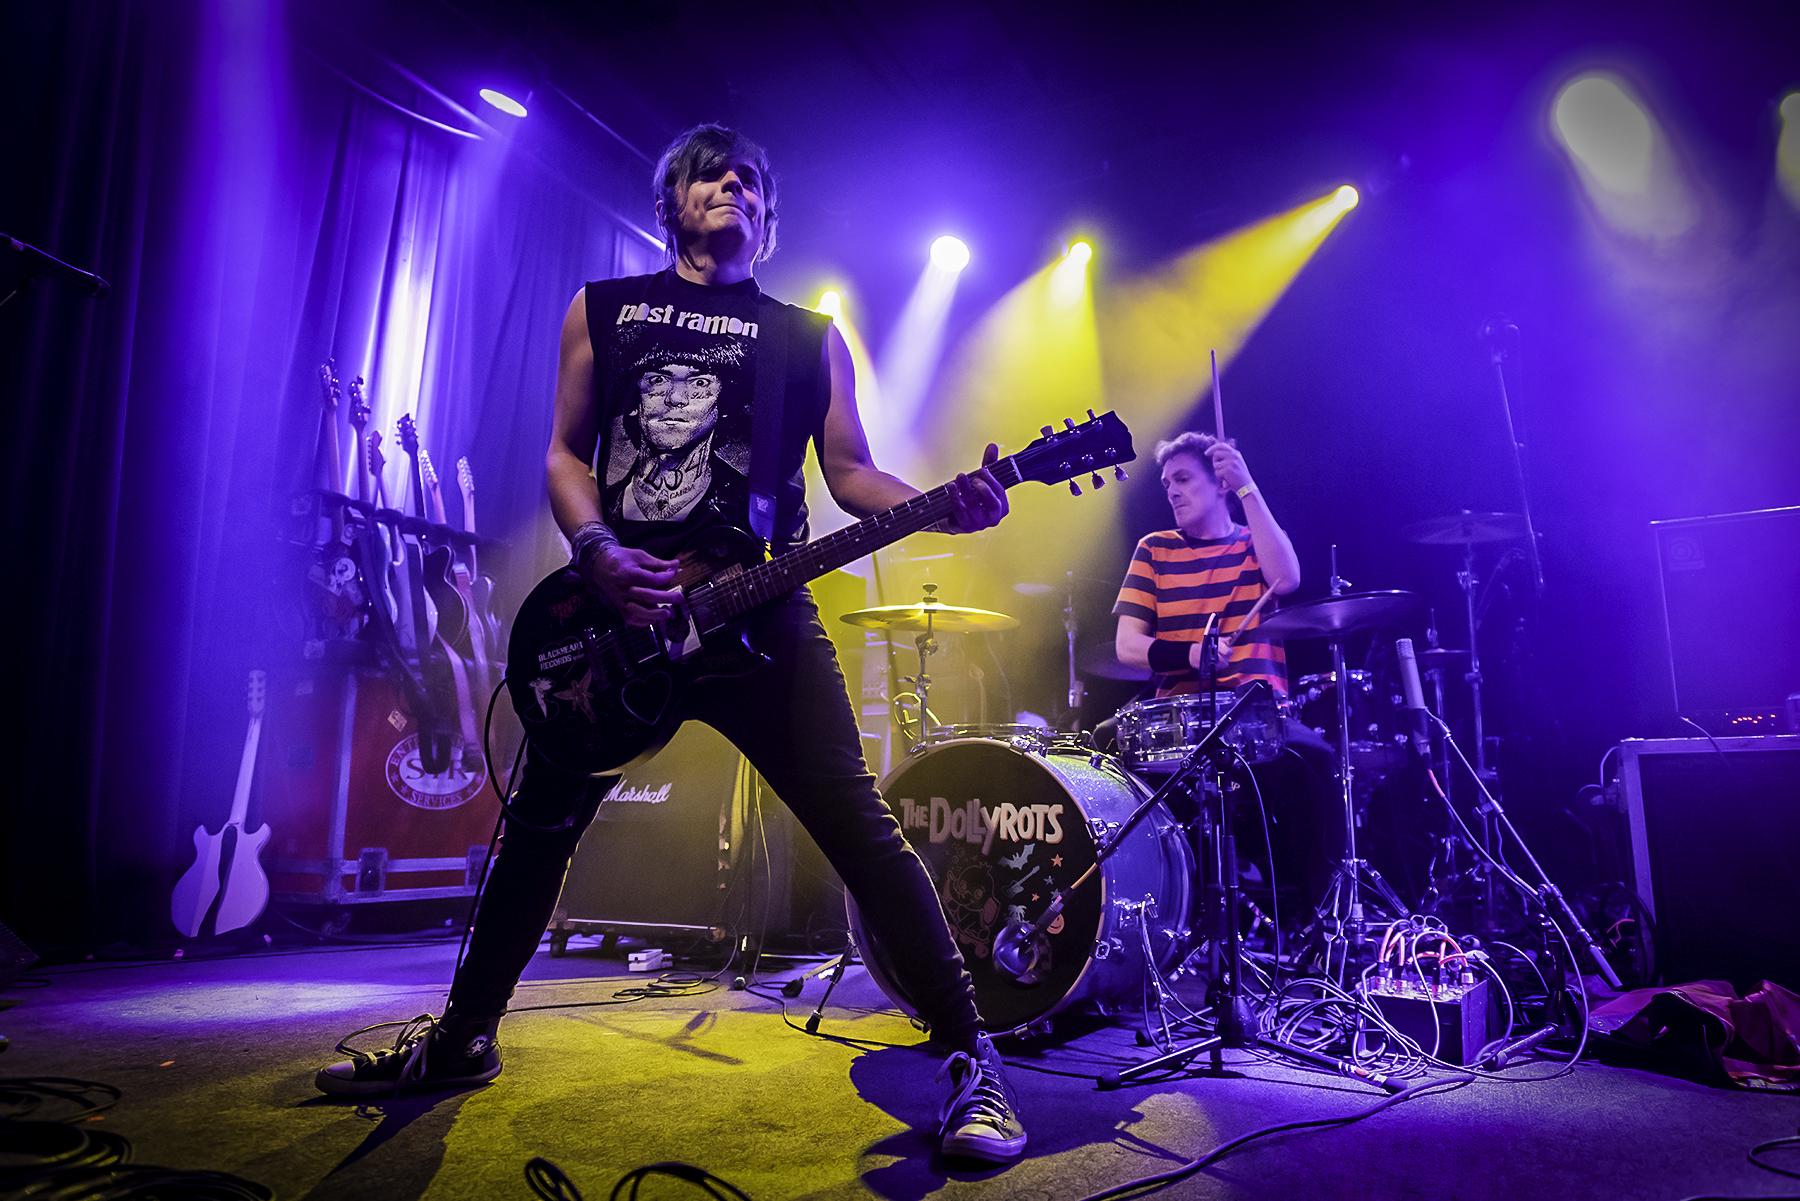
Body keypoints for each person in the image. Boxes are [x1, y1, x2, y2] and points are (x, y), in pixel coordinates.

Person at [315, 124, 1028, 1165]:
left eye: (751, 180)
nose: (733, 184)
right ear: (671, 203)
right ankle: (463, 1035)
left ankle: (973, 1056)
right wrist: (597, 549)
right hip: (616, 617)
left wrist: (945, 502)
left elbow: (851, 474)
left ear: (767, 220)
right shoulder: (602, 308)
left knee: (861, 829)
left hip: (758, 613)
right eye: (711, 173)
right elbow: (564, 454)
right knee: (538, 828)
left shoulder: (808, 335)